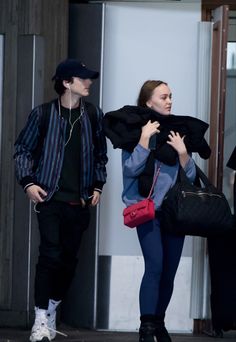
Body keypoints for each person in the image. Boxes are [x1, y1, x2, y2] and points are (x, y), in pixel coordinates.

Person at [14, 59, 108, 342]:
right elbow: (22, 150)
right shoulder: (43, 114)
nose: (89, 82)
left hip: (79, 202)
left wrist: (98, 186)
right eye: (83, 78)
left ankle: (52, 308)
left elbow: (101, 155)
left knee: (68, 261)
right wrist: (28, 183)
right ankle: (40, 318)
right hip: (50, 199)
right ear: (67, 83)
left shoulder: (93, 114)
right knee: (50, 256)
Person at [121, 80, 197, 342]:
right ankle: (147, 327)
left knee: (169, 272)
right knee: (155, 266)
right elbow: (129, 170)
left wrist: (184, 153)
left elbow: (192, 177)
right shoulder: (134, 132)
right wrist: (144, 139)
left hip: (175, 214)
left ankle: (160, 322)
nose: (169, 101)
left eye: (171, 96)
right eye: (163, 97)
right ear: (148, 102)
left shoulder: (177, 132)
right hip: (149, 212)